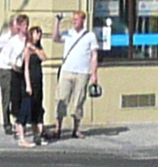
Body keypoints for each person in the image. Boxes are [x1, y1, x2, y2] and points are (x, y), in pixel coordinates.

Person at [52, 10, 103, 141]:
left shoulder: (90, 36)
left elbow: (94, 56)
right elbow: (55, 38)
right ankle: (58, 128)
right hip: (67, 70)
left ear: (83, 20)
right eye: (73, 19)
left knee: (78, 102)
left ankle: (76, 129)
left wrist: (94, 75)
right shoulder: (68, 33)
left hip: (83, 72)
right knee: (61, 99)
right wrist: (57, 21)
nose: (74, 21)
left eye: (77, 19)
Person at [0, 14, 30, 137]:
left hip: (18, 70)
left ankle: (18, 121)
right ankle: (7, 123)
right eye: (16, 26)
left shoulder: (23, 39)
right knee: (7, 97)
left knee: (18, 97)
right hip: (6, 70)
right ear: (12, 26)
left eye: (20, 26)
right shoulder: (5, 38)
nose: (18, 29)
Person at [11, 21, 49, 146]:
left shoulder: (38, 48)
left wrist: (36, 49)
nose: (39, 36)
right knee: (25, 109)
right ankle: (21, 138)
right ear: (31, 34)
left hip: (38, 82)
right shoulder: (27, 48)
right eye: (37, 33)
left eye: (40, 34)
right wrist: (28, 84)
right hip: (29, 82)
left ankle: (37, 137)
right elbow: (26, 67)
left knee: (37, 109)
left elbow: (44, 58)